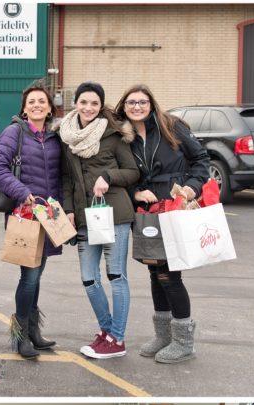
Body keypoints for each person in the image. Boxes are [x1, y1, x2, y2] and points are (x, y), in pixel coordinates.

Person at [115, 84, 210, 362]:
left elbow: (201, 159)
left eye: (142, 102)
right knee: (155, 272)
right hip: (147, 212)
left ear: (151, 104)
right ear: (124, 106)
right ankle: (164, 335)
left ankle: (183, 340)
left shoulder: (172, 126)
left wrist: (192, 186)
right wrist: (134, 193)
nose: (137, 106)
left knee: (170, 274)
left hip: (174, 208)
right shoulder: (124, 136)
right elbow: (124, 172)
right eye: (131, 102)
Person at [60, 81, 139, 359]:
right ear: (76, 104)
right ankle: (107, 332)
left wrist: (108, 177)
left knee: (116, 275)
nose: (89, 108)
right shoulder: (66, 136)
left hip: (114, 213)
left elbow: (131, 172)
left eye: (95, 103)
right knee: (88, 278)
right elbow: (67, 179)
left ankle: (117, 338)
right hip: (84, 216)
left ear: (101, 105)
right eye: (84, 102)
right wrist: (68, 209)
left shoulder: (113, 135)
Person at [0, 81, 62, 358]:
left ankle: (33, 331)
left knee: (38, 274)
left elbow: (60, 175)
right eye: (31, 101)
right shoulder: (13, 133)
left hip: (49, 215)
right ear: (24, 107)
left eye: (41, 101)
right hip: (25, 215)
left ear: (49, 107)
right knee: (29, 276)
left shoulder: (55, 137)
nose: (37, 105)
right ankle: (20, 336)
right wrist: (22, 192)